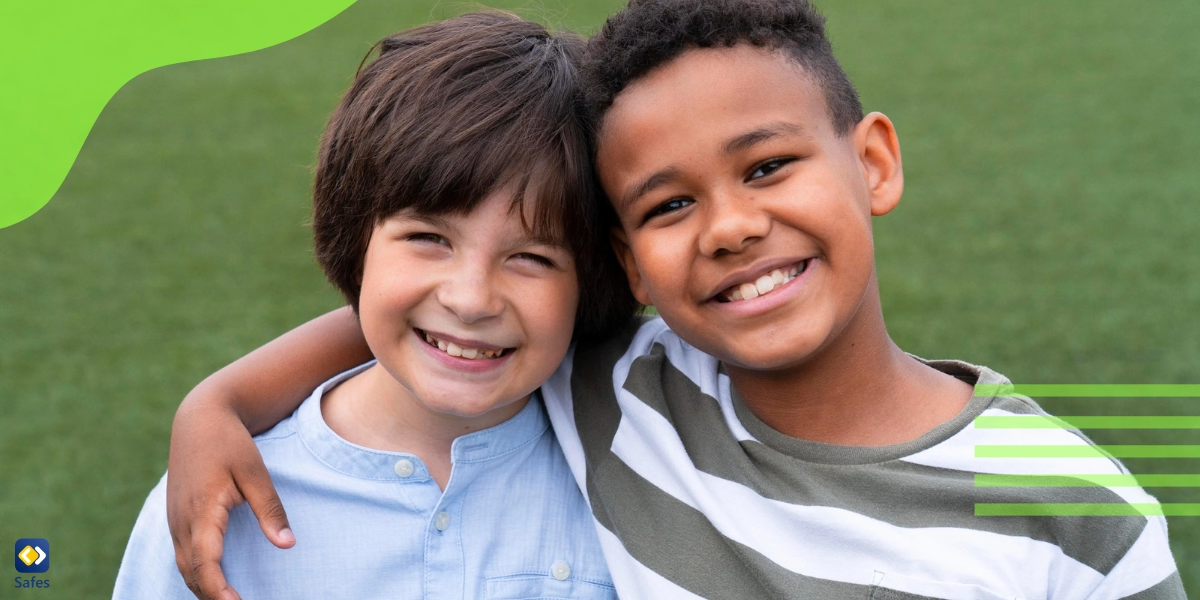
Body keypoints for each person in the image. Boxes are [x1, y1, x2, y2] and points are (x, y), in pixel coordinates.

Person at [164, 1, 1186, 598]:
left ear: (873, 161)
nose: (730, 227)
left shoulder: (1072, 510)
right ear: (631, 266)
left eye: (769, 166)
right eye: (670, 204)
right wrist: (220, 405)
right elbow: (451, 313)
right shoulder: (625, 386)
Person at [112, 11, 638, 600]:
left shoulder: (649, 457)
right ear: (355, 237)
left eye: (532, 258)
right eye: (429, 238)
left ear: (596, 278)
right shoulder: (216, 500)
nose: (470, 299)